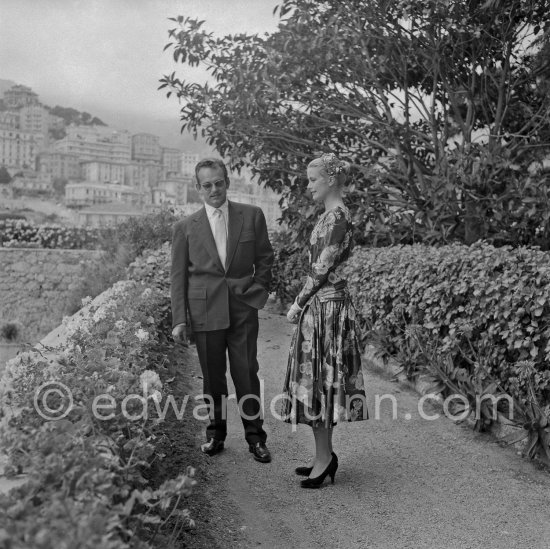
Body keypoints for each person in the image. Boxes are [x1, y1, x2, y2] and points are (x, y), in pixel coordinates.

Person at [171, 158, 274, 463]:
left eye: (219, 182)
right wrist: (180, 319)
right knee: (212, 378)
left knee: (246, 373)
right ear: (197, 188)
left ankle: (256, 438)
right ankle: (216, 435)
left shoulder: (252, 216)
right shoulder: (185, 227)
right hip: (204, 312)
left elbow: (266, 258)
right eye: (207, 185)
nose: (214, 189)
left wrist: (259, 290)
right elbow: (178, 277)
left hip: (243, 309)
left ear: (227, 181)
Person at [282, 152, 368, 488]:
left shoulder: (337, 218)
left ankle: (324, 459)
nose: (308, 185)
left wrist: (296, 303)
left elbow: (321, 269)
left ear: (331, 180)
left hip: (326, 309)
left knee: (318, 384)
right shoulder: (334, 215)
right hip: (325, 307)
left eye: (313, 179)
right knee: (318, 384)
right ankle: (323, 457)